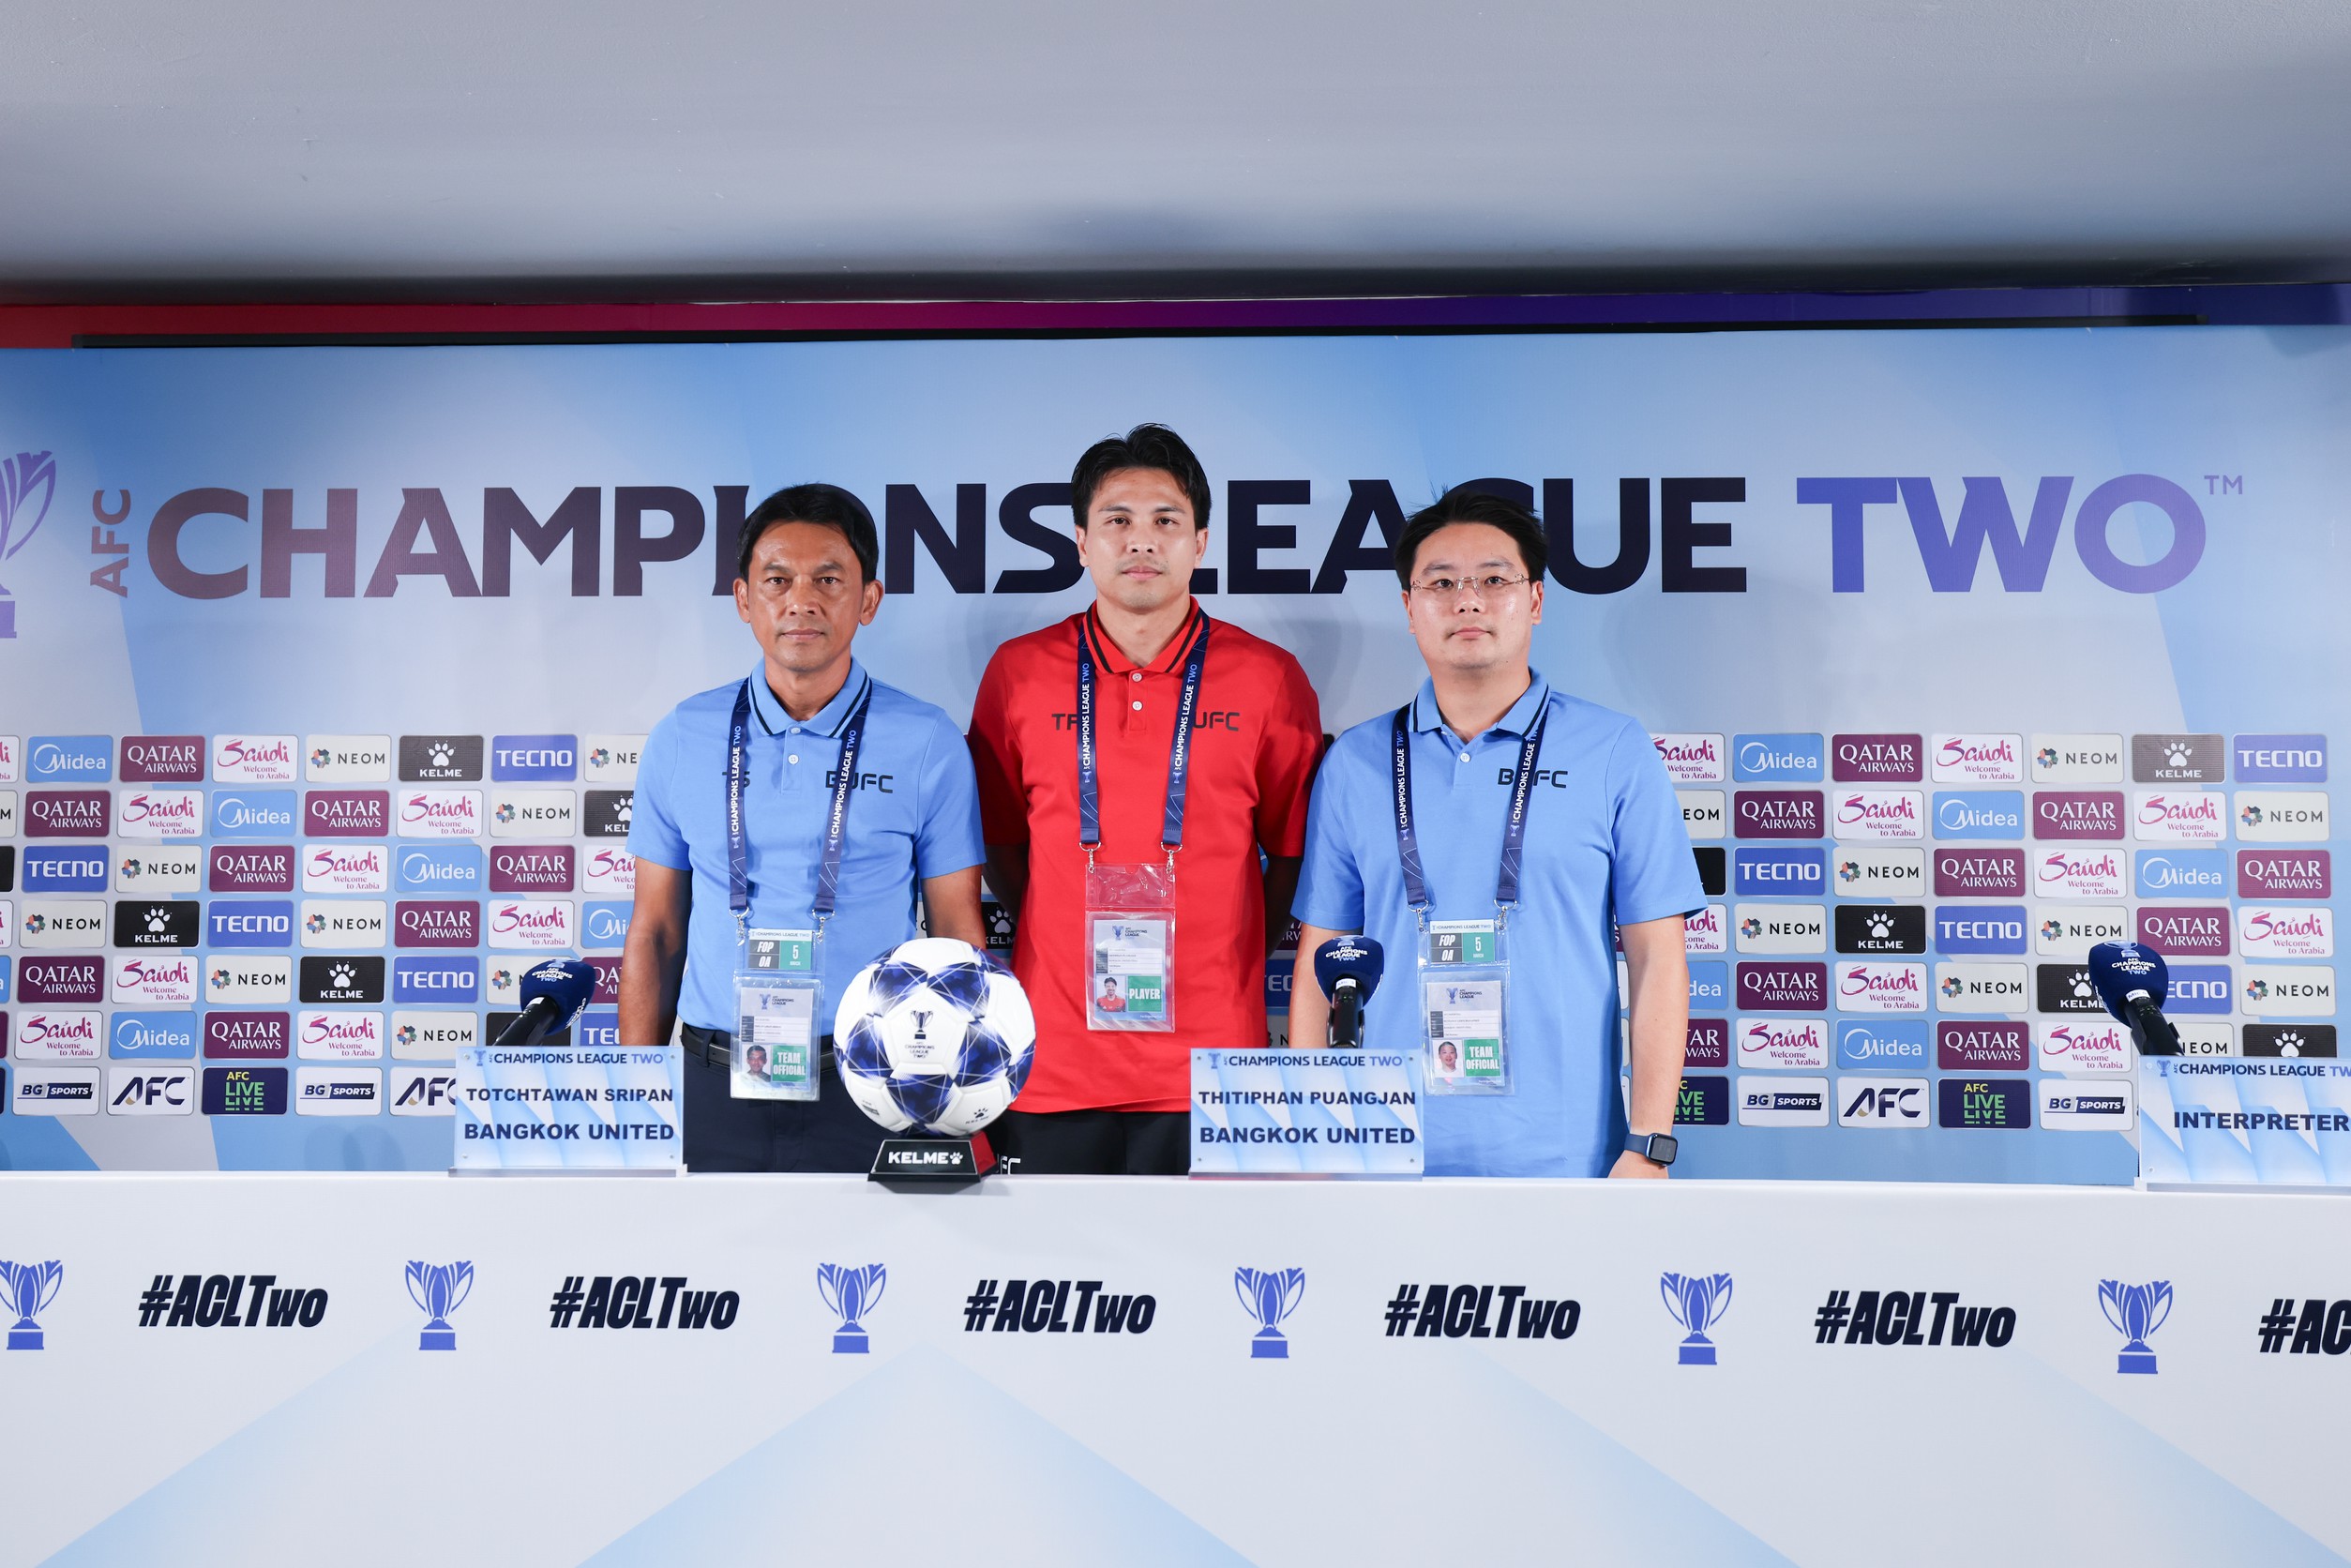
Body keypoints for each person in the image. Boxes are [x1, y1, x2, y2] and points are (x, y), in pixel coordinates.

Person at [1288, 487, 1701, 1178]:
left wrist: (1649, 1145)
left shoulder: (1612, 750)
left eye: (1493, 580)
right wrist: (1315, 1136)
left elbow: (1658, 958)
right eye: (1441, 583)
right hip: (1386, 1159)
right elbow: (1319, 963)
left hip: (1568, 1160)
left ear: (1534, 600)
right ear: (1409, 608)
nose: (1468, 601)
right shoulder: (1356, 762)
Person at [969, 424, 1324, 1174]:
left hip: (1213, 1066)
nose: (1141, 540)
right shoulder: (1018, 673)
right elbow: (997, 840)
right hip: (1053, 1063)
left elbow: (1294, 855)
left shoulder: (1267, 677)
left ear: (1200, 542)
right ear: (1080, 541)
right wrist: (1059, 924)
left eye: (1165, 520)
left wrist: (1233, 954)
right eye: (1117, 520)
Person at [619, 483, 987, 1171]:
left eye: (828, 580)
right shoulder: (683, 735)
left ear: (868, 600)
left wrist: (957, 1089)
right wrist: (633, 1093)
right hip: (715, 1078)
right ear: (743, 599)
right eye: (777, 580)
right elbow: (656, 930)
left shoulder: (926, 740)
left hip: (874, 1082)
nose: (801, 601)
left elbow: (957, 932)